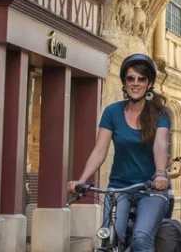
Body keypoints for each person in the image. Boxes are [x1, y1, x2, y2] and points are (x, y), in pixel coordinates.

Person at [68, 54, 171, 252]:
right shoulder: (112, 112)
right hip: (118, 189)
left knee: (141, 240)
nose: (135, 83)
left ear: (149, 84)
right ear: (124, 82)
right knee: (109, 238)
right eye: (131, 78)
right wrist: (81, 180)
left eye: (141, 79)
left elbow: (160, 145)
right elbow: (99, 150)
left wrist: (160, 173)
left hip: (151, 189)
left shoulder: (160, 114)